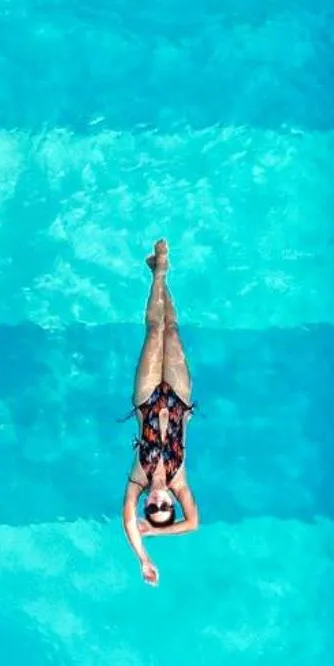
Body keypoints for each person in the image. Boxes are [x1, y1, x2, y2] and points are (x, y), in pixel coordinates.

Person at [122, 240, 199, 585]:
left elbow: (127, 522)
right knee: (173, 330)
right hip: (180, 400)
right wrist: (155, 531)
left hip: (147, 399)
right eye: (164, 509)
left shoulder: (138, 480)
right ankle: (159, 274)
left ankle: (160, 273)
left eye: (151, 510)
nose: (155, 504)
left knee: (155, 331)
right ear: (172, 503)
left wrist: (142, 557)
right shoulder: (179, 482)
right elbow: (194, 523)